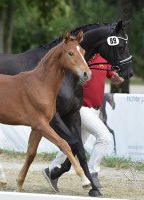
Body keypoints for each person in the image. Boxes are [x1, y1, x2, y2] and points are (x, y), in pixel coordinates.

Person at [43, 53, 124, 192]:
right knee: (104, 137)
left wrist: (117, 78)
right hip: (82, 108)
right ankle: (92, 171)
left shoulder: (104, 57)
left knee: (74, 144)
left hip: (95, 110)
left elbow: (112, 76)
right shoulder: (83, 57)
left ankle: (51, 170)